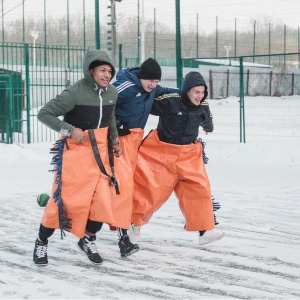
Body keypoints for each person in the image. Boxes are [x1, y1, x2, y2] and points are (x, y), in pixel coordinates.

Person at [33, 49, 138, 266]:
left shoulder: (111, 93)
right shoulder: (74, 93)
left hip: (100, 153)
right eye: (102, 70)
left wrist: (115, 141)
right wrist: (69, 129)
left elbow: (110, 118)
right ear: (90, 70)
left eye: (109, 71)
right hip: (75, 153)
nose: (107, 74)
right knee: (63, 203)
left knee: (101, 201)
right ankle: (42, 241)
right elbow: (44, 113)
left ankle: (88, 239)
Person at [129, 71, 225, 245]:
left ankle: (204, 231)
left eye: (202, 92)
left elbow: (208, 121)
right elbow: (147, 104)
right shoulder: (171, 101)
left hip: (189, 154)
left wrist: (208, 128)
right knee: (150, 192)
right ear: (187, 90)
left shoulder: (203, 106)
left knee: (198, 189)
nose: (200, 96)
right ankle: (133, 226)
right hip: (161, 153)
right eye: (196, 92)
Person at [108, 58, 179, 238]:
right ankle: (117, 223)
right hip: (120, 138)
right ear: (141, 77)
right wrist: (116, 125)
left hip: (136, 139)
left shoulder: (152, 89)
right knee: (122, 181)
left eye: (156, 81)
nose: (153, 85)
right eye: (150, 81)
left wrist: (187, 93)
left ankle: (123, 221)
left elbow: (168, 92)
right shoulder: (125, 87)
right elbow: (104, 103)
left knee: (132, 180)